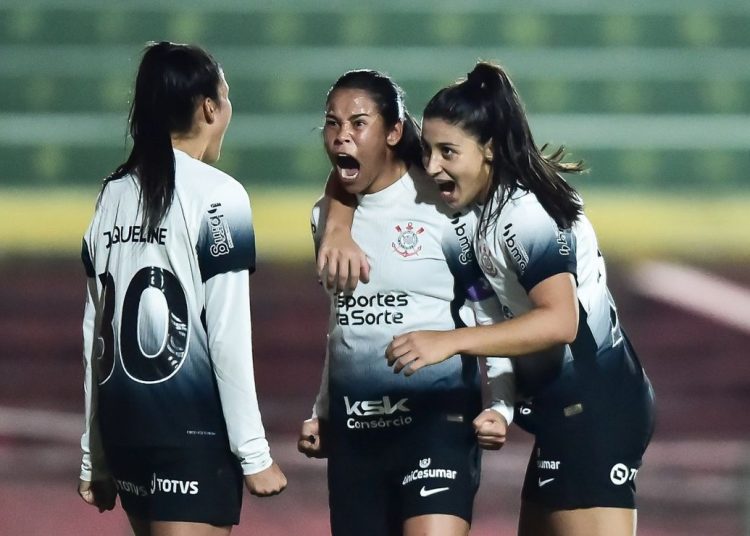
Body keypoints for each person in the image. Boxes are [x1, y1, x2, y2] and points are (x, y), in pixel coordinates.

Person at [321, 62, 655, 536]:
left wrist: (450, 342)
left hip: (597, 411)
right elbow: (358, 168)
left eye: (447, 153)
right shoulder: (480, 200)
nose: (431, 166)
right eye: (429, 151)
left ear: (490, 150)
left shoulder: (524, 215)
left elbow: (561, 321)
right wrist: (336, 226)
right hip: (563, 412)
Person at [77, 41, 286, 535]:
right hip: (189, 436)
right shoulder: (219, 195)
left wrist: (94, 458)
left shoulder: (113, 193)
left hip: (127, 429)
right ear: (210, 107)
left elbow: (95, 337)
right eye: (227, 97)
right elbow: (227, 335)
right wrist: (254, 454)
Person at [296, 69, 515, 536]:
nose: (341, 137)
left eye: (358, 124)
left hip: (437, 423)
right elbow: (343, 323)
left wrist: (502, 403)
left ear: (394, 131)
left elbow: (486, 310)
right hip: (358, 434)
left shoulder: (443, 208)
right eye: (332, 124)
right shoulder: (325, 218)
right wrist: (324, 412)